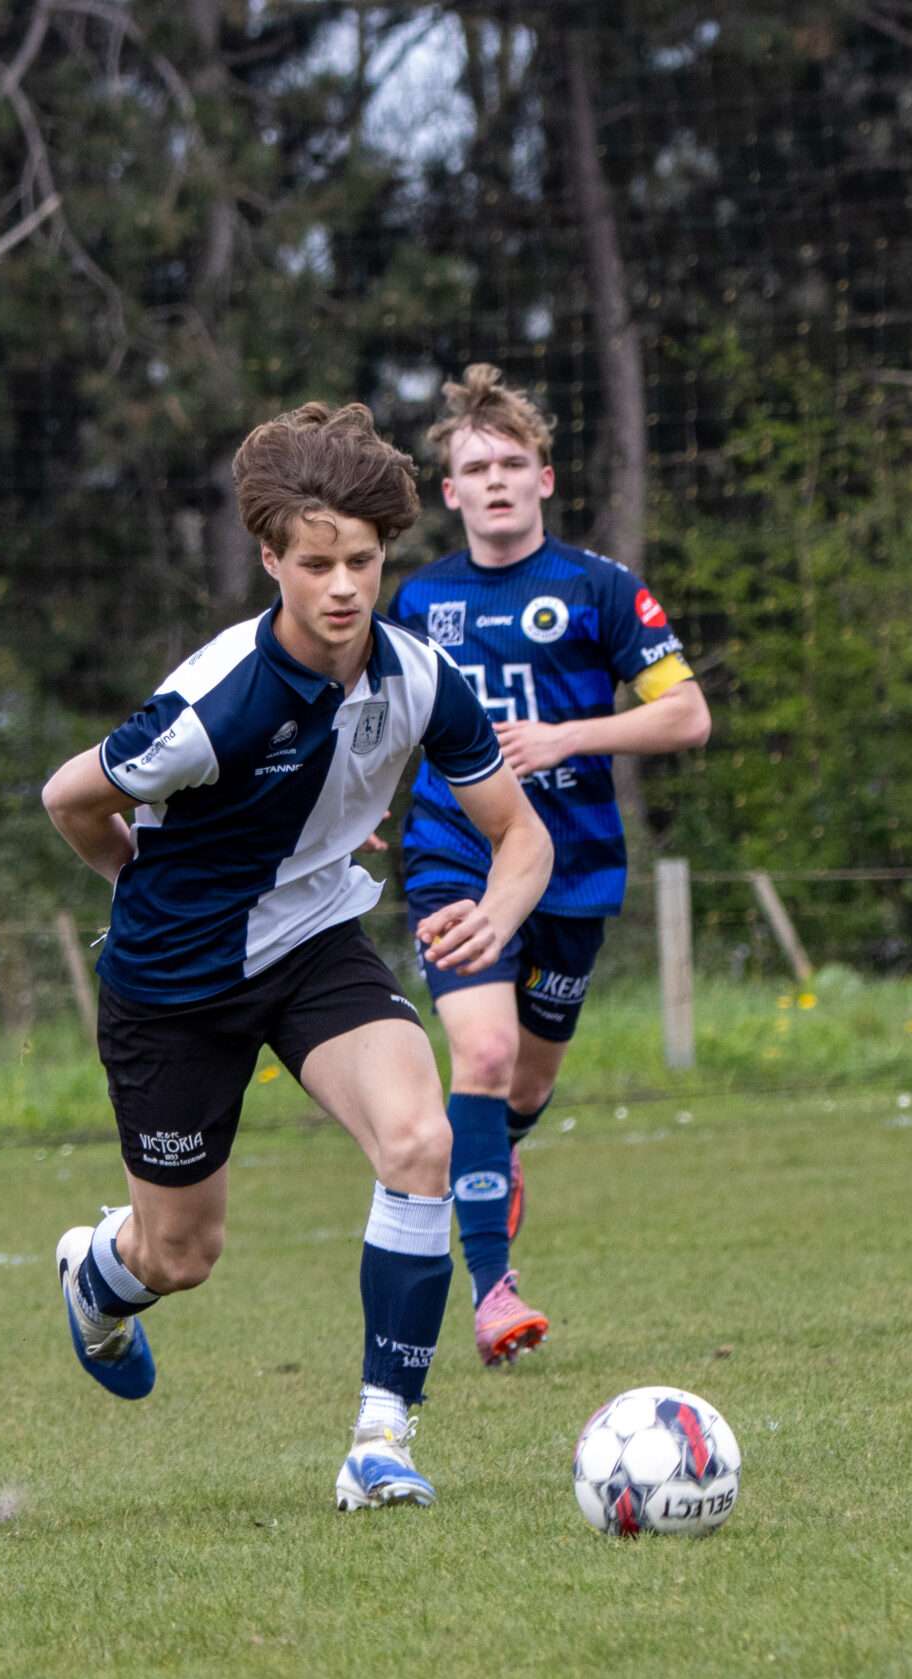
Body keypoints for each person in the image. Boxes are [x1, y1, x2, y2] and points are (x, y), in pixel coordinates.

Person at [40, 401, 552, 1511]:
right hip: (174, 982)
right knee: (181, 1255)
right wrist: (138, 883)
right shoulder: (212, 704)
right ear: (270, 559)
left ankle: (381, 1438)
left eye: (361, 561)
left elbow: (522, 835)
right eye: (316, 564)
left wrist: (497, 914)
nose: (342, 587)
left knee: (418, 1138)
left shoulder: (419, 677)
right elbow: (68, 797)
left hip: (314, 944)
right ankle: (99, 1275)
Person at [388, 366, 709, 1366]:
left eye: (511, 463)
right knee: (481, 1057)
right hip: (456, 853)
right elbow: (373, 720)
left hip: (572, 867)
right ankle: (493, 1292)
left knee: (521, 1088)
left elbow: (686, 714)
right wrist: (350, 811)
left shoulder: (599, 588)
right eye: (475, 467)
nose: (495, 480)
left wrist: (569, 737)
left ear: (544, 478)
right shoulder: (420, 600)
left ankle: (495, 1156)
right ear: (450, 491)